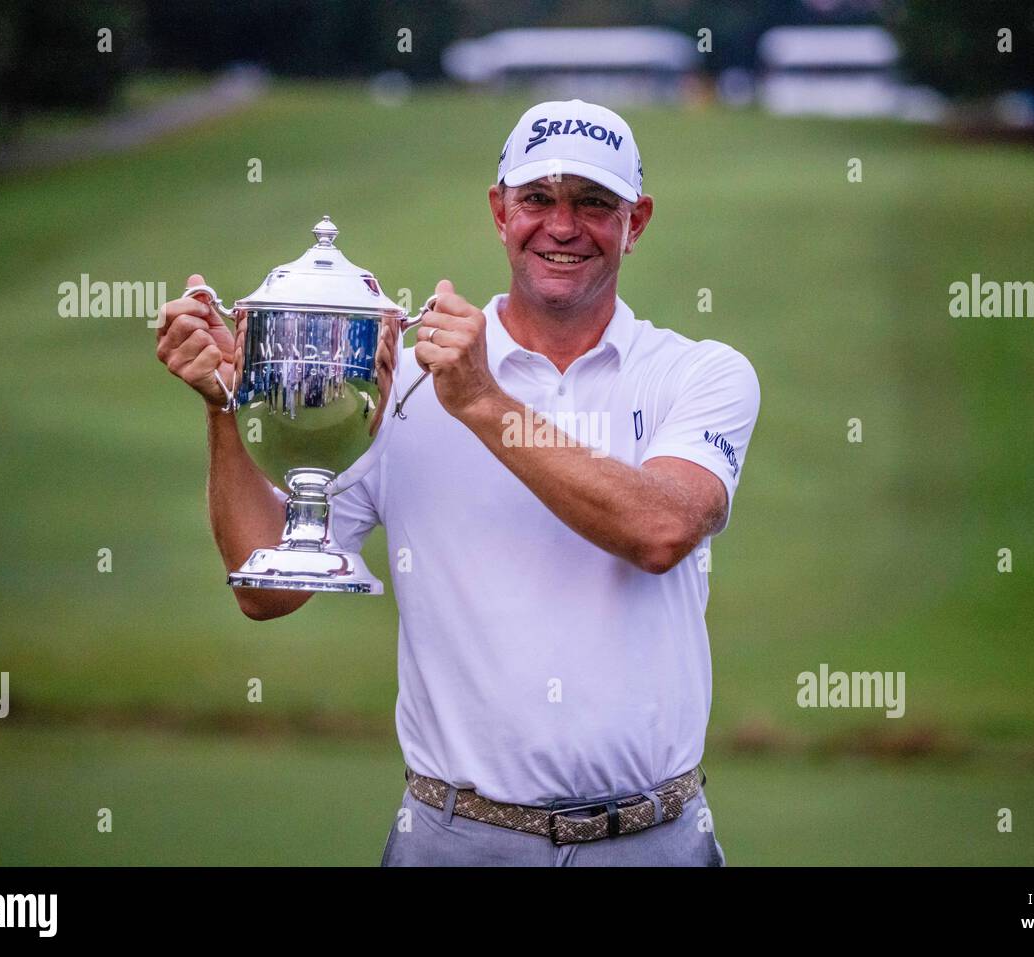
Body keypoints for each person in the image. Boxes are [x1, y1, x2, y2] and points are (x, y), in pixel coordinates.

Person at [155, 99, 760, 866]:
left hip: (651, 838)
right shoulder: (399, 382)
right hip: (454, 836)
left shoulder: (699, 372)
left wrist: (482, 401)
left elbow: (664, 528)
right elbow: (266, 586)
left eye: (594, 204)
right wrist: (226, 408)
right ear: (499, 211)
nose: (563, 227)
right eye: (538, 198)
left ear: (636, 221)